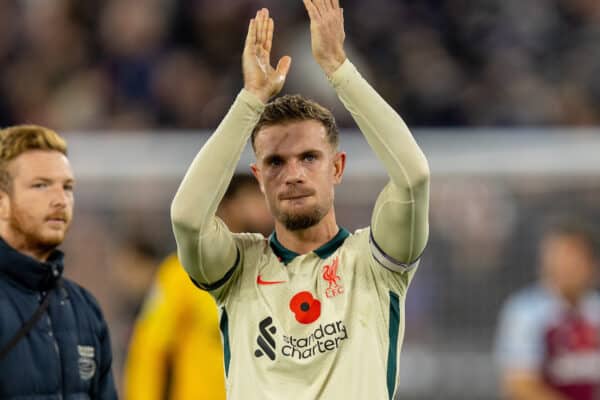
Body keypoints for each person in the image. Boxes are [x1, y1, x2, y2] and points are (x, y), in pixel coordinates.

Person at [170, 1, 430, 398]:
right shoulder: (239, 269)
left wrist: (339, 70)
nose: (293, 174)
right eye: (275, 162)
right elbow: (187, 219)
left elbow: (413, 179)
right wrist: (250, 99)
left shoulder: (374, 263)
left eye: (309, 158)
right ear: (258, 178)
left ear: (337, 168)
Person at [124, 174, 272, 400]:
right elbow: (149, 351)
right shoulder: (182, 273)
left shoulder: (276, 270)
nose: (264, 210)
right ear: (227, 206)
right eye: (254, 199)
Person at [0, 125, 118, 398]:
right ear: (2, 203)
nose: (60, 200)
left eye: (67, 187)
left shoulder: (85, 309)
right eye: (41, 185)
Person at [495, 221, 600, 400]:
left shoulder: (595, 311)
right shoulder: (525, 312)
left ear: (591, 264)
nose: (564, 265)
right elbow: (519, 384)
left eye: (572, 256)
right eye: (557, 256)